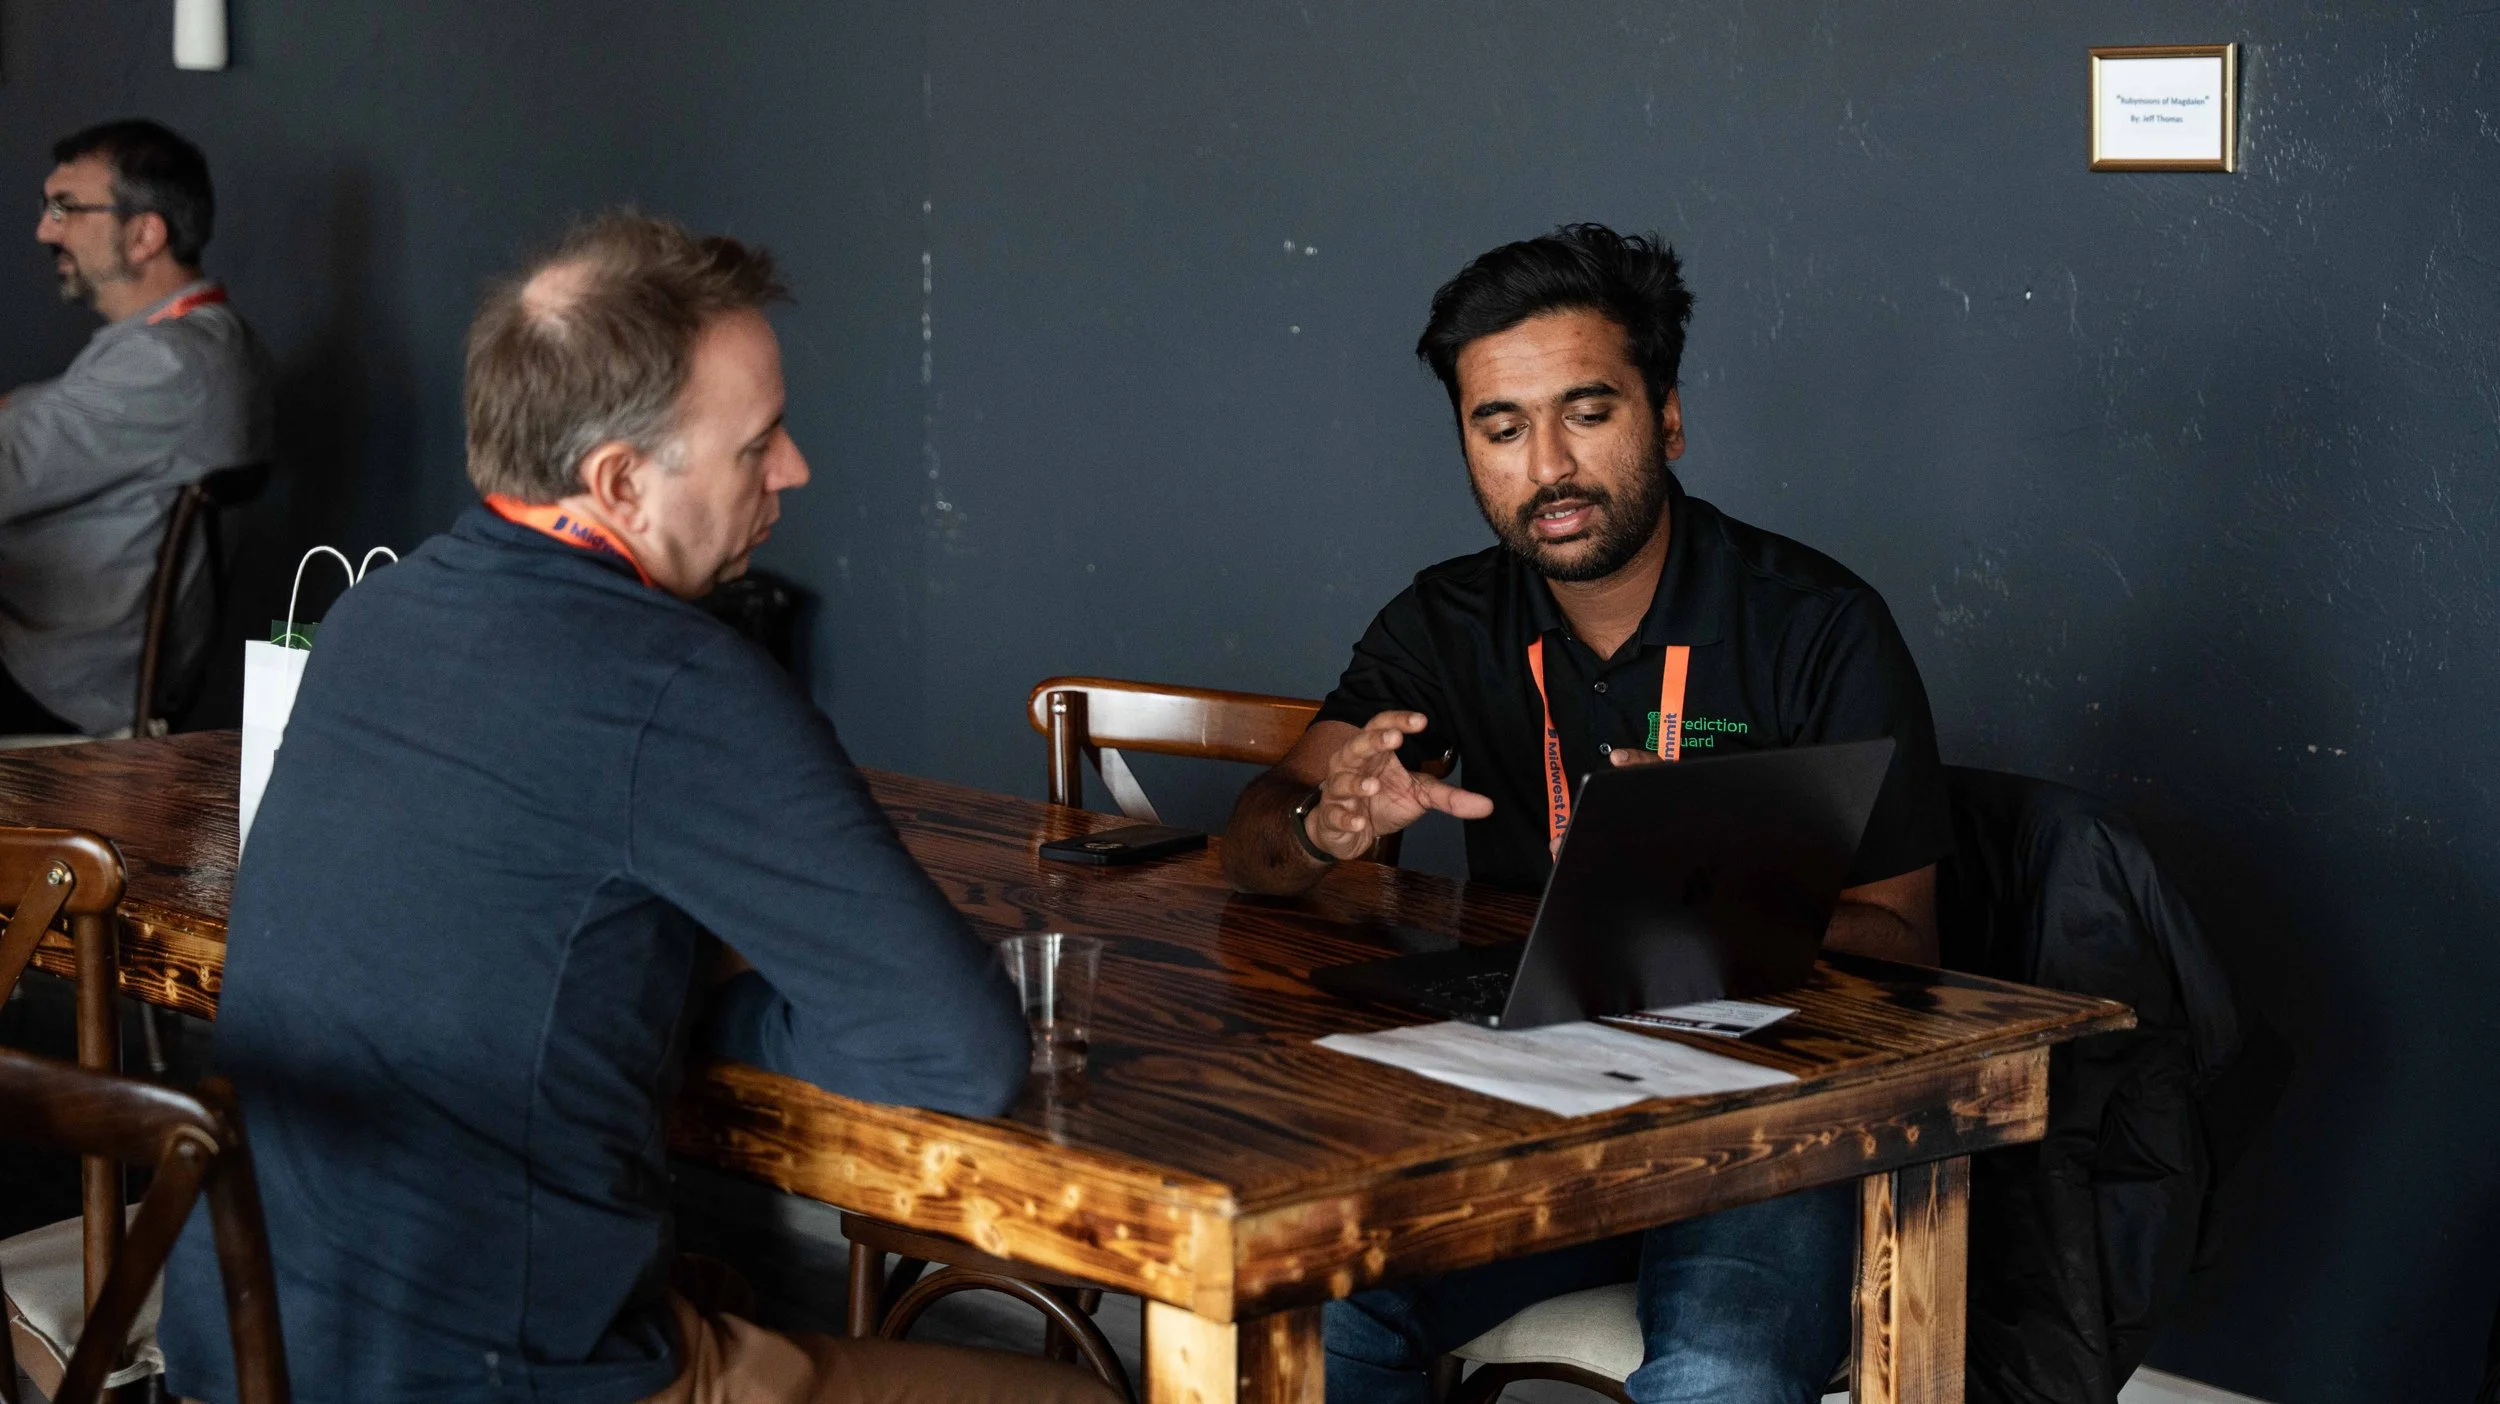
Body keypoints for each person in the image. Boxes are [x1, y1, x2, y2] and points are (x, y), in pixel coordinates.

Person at [158, 213, 1117, 1404]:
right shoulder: (676, 681)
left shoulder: (378, 614)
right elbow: (955, 1051)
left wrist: (642, 1000)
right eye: (756, 444)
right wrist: (694, 1010)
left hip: (238, 1346)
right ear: (618, 480)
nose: (796, 470)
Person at [1224, 224, 1952, 1404]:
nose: (1546, 465)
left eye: (1588, 411)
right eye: (1499, 428)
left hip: (1766, 1130)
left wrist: (1704, 882)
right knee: (1313, 1310)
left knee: (1720, 1371)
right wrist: (1322, 827)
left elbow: (1905, 942)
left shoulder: (1815, 625)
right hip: (1534, 1106)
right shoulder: (1446, 620)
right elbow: (1255, 846)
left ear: (1665, 418)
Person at [0, 118, 270, 736]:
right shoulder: (207, 341)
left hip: (64, 680)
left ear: (145, 233)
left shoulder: (169, 363)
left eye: (65, 209)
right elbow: (36, 412)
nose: (45, 229)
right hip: (74, 657)